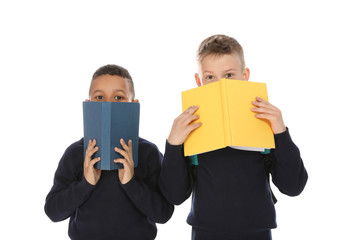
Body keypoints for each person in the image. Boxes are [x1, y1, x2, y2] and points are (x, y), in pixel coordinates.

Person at [159, 35, 308, 240]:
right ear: (198, 81)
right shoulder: (189, 127)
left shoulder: (263, 122)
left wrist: (280, 132)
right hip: (205, 233)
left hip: (258, 232)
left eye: (229, 75)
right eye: (210, 77)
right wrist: (173, 145)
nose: (221, 84)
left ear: (244, 76)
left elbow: (293, 186)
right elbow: (174, 195)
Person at [45, 64, 174, 240]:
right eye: (99, 97)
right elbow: (53, 212)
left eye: (119, 97)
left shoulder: (148, 152)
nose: (108, 103)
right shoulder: (75, 153)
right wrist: (86, 183)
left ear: (133, 104)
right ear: (88, 103)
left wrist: (131, 183)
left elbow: (163, 214)